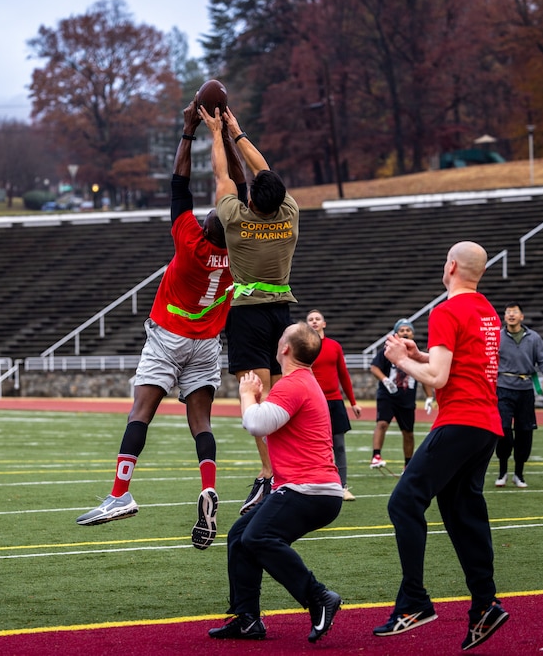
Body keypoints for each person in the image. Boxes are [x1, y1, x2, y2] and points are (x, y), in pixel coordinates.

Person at [75, 101, 237, 551]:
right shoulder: (240, 252)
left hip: (168, 337)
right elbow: (237, 187)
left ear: (205, 230)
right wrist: (226, 132)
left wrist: (189, 132)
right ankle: (208, 485)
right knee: (201, 422)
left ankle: (120, 494)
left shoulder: (190, 241)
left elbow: (178, 184)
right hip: (207, 343)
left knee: (140, 412)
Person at [372, 241, 510, 651]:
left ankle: (414, 600)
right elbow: (452, 360)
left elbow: (439, 378)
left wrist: (400, 358)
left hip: (461, 418)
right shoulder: (486, 309)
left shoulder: (446, 309)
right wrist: (421, 353)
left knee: (403, 502)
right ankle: (484, 603)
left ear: (450, 266)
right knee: (462, 511)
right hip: (486, 424)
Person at [207, 322, 343, 644]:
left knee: (257, 537)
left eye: (281, 336)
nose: (277, 338)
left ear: (285, 349)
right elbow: (272, 428)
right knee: (241, 535)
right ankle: (248, 620)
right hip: (310, 488)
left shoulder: (294, 384)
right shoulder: (301, 382)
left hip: (309, 489)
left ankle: (319, 596)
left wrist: (246, 394)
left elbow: (254, 423)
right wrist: (258, 398)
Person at [199, 103, 299, 515]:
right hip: (281, 312)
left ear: (253, 197)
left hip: (247, 314)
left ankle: (269, 474)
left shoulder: (237, 221)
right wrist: (238, 132)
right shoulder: (290, 215)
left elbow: (223, 176)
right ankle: (285, 470)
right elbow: (265, 170)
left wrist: (216, 134)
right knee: (280, 396)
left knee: (255, 398)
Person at [494, 302, 543, 489]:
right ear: (504, 317)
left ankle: (519, 474)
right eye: (508, 313)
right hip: (502, 388)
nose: (511, 315)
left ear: (522, 317)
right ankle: (502, 471)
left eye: (515, 312)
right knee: (503, 430)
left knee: (525, 431)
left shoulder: (533, 338)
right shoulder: (497, 336)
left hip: (525, 390)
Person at [306, 309, 363, 500]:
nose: (314, 322)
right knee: (314, 446)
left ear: (324, 324)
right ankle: (316, 485)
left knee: (338, 445)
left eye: (317, 319)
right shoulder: (304, 347)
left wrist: (353, 402)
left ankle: (342, 486)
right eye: (310, 319)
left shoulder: (334, 346)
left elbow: (344, 375)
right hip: (313, 403)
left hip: (335, 402)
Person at [369, 318, 429, 471]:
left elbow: (426, 376)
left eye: (408, 330)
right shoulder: (388, 350)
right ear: (396, 333)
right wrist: (385, 380)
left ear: (413, 334)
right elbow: (374, 367)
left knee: (408, 432)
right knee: (382, 423)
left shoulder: (417, 354)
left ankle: (408, 464)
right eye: (402, 330)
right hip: (387, 395)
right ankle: (376, 456)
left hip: (406, 397)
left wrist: (429, 396)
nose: (405, 332)